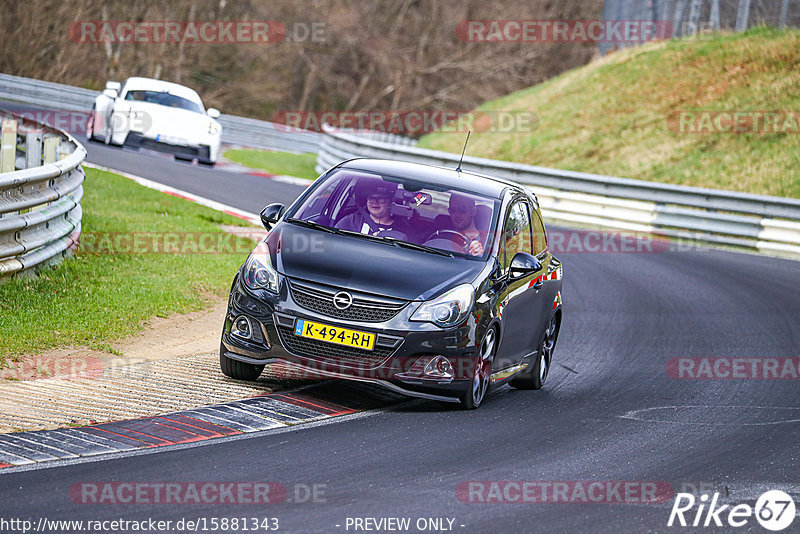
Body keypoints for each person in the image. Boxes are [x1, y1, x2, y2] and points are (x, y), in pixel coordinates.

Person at [335, 181, 410, 238]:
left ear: (391, 201)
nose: (375, 202)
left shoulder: (404, 229)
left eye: (380, 198)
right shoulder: (350, 221)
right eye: (371, 198)